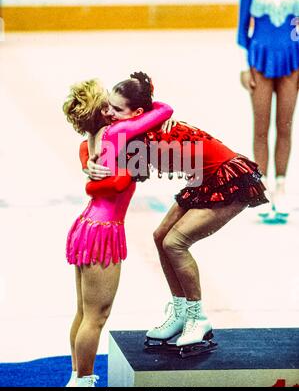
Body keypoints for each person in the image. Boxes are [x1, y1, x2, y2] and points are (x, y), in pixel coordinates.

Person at [85, 110, 268, 358]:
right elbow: (99, 141)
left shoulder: (143, 133)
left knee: (175, 243)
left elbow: (118, 176)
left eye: (117, 109)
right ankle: (181, 311)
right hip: (204, 179)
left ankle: (197, 317)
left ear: (137, 112)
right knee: (160, 236)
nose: (110, 113)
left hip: (229, 178)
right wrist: (91, 163)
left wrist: (93, 171)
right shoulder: (135, 129)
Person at [62, 73, 173, 386]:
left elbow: (94, 172)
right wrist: (147, 100)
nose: (112, 111)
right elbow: (163, 110)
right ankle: (82, 381)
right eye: (107, 106)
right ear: (101, 110)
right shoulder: (119, 130)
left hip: (86, 224)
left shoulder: (91, 140)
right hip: (103, 230)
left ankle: (76, 376)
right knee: (97, 316)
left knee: (84, 312)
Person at [238, 0, 299, 222]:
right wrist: (244, 66)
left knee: (285, 126)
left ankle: (281, 186)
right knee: (261, 127)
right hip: (259, 61)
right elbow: (242, 30)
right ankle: (259, 188)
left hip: (291, 62)